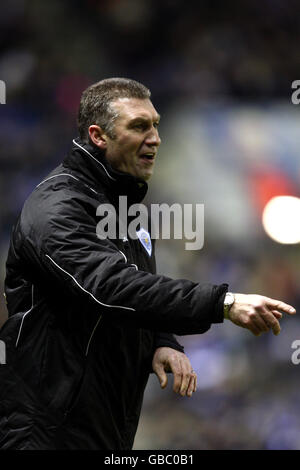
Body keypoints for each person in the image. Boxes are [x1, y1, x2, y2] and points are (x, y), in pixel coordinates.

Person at [0, 78, 296, 450]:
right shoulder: (56, 209)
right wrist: (224, 303)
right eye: (139, 126)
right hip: (46, 431)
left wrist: (160, 340)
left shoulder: (124, 209)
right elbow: (110, 287)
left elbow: (136, 294)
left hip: (104, 429)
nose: (154, 137)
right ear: (99, 136)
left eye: (156, 124)